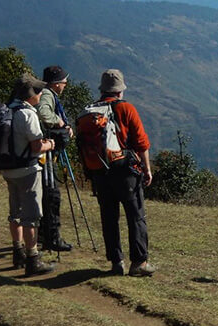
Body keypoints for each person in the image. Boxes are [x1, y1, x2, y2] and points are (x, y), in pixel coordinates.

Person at [84, 69, 156, 277]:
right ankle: (139, 263)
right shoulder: (126, 109)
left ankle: (116, 262)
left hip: (100, 172)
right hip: (125, 172)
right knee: (135, 216)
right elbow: (142, 143)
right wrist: (147, 169)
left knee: (109, 216)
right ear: (120, 91)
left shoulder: (91, 111)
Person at [4, 73, 58, 277]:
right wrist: (51, 144)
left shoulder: (8, 109)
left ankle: (17, 251)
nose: (41, 93)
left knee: (15, 211)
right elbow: (36, 146)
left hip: (9, 169)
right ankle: (32, 259)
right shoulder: (28, 114)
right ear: (30, 94)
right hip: (27, 170)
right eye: (37, 90)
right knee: (31, 216)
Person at [38, 64, 74, 252]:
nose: (66, 83)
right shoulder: (46, 95)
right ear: (56, 83)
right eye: (64, 80)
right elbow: (43, 113)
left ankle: (43, 235)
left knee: (47, 194)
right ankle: (52, 238)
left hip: (46, 152)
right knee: (52, 195)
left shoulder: (47, 94)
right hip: (45, 153)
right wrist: (59, 121)